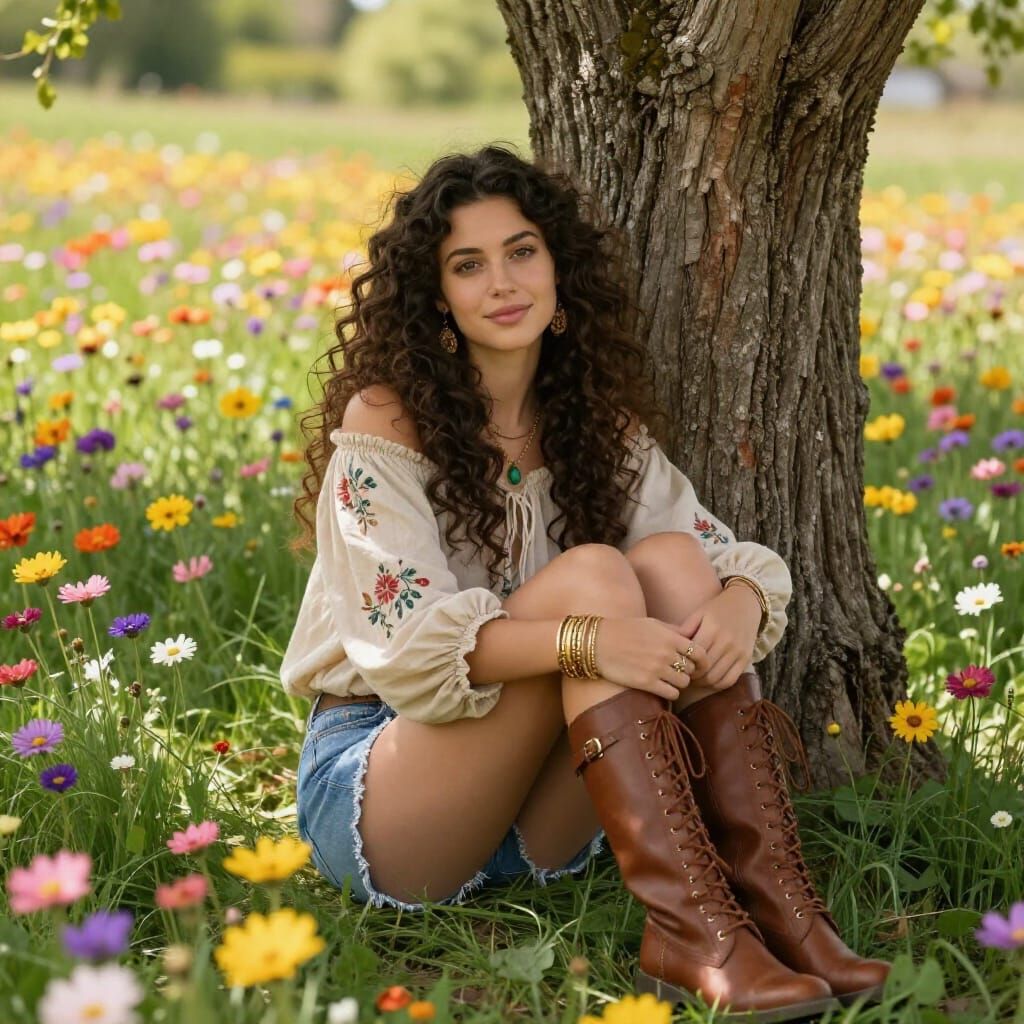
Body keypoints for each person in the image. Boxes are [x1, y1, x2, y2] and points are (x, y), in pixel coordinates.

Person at [281, 144, 888, 1021]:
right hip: (389, 792)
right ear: (435, 297)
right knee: (596, 577)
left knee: (675, 565)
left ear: (558, 264)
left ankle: (770, 907)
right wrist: (589, 639)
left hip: (536, 823)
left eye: (522, 251)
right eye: (468, 264)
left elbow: (720, 558)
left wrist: (739, 601)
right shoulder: (387, 421)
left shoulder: (592, 423)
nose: (503, 281)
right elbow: (408, 656)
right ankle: (694, 931)